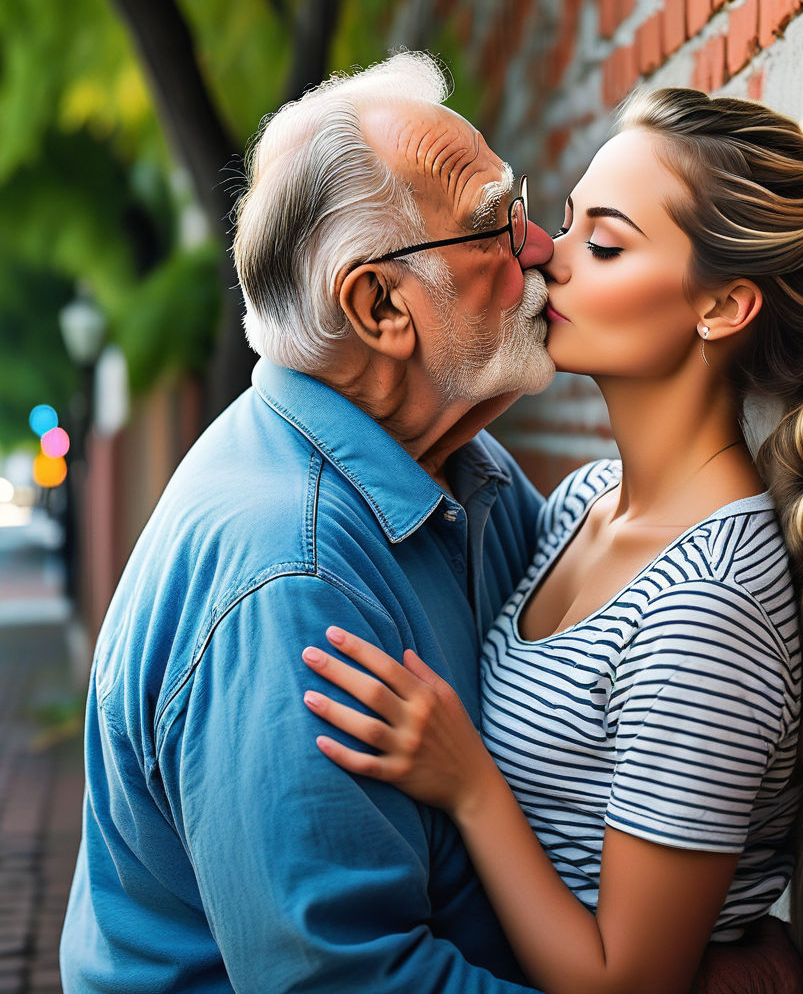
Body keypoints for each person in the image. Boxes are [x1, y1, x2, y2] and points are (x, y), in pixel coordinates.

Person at [301, 87, 803, 993]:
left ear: (722, 306)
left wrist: (469, 784)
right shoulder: (581, 502)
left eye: (603, 244)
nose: (546, 258)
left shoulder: (706, 609)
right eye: (567, 225)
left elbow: (626, 982)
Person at [60, 51, 560, 992]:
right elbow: (347, 981)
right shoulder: (293, 578)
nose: (541, 250)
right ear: (378, 305)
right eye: (495, 223)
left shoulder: (461, 465)